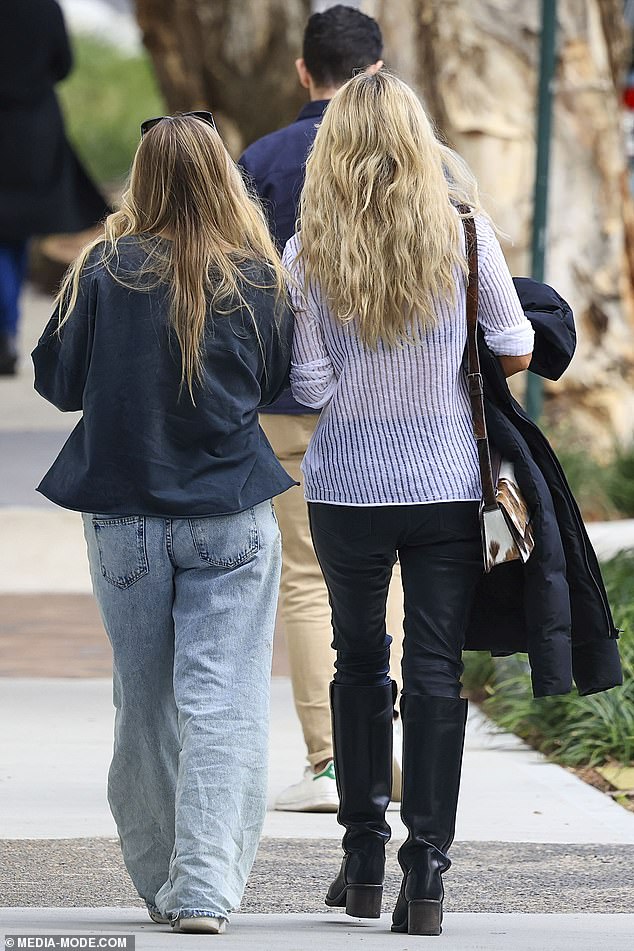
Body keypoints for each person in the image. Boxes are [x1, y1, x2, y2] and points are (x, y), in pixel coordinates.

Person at [283, 71, 535, 935]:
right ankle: (424, 874)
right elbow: (514, 343)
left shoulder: (308, 246)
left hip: (348, 487)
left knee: (359, 661)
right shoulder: (465, 233)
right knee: (434, 670)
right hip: (448, 484)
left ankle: (360, 859)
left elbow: (308, 382)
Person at [32, 113, 294, 934]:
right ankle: (204, 889)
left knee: (143, 700)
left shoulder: (103, 269)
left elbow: (58, 380)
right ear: (223, 176)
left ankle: (157, 880)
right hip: (230, 511)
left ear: (141, 177)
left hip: (124, 520)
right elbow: (279, 378)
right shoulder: (255, 274)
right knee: (224, 700)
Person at [240, 2, 404, 813]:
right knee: (394, 575)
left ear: (306, 72)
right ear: (380, 69)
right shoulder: (424, 162)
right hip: (403, 412)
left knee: (308, 578)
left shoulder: (262, 159)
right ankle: (387, 744)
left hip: (285, 403)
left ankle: (334, 760)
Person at [0, 0, 108, 374]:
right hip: (34, 129)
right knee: (16, 233)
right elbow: (63, 64)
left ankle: (4, 329)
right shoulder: (44, 6)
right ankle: (7, 328)